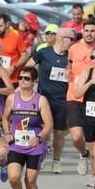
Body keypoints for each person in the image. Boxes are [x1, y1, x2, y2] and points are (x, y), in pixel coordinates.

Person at [2, 66, 53, 189]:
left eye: (27, 78)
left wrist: (39, 137)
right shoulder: (12, 98)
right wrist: (7, 133)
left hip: (35, 146)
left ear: (34, 81)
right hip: (16, 144)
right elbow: (5, 118)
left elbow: (49, 124)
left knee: (30, 180)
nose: (23, 81)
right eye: (21, 78)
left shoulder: (40, 100)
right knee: (13, 177)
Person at [27, 27, 74, 173]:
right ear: (62, 38)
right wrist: (30, 83)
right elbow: (28, 67)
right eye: (71, 39)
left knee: (59, 132)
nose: (73, 42)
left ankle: (56, 161)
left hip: (62, 99)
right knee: (43, 130)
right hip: (44, 99)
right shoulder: (44, 52)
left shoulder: (71, 56)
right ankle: (41, 157)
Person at [66, 21, 95, 181]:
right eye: (86, 30)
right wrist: (66, 72)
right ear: (82, 32)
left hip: (92, 99)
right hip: (74, 96)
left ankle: (94, 174)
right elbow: (69, 65)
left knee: (93, 140)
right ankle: (83, 154)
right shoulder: (74, 48)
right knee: (77, 137)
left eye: (93, 31)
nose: (89, 33)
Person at [74, 46, 95, 189]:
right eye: (93, 57)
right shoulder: (86, 73)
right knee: (94, 155)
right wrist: (90, 83)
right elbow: (77, 93)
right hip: (89, 116)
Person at [0, 13, 30, 85]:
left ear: (7, 24)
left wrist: (14, 67)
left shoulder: (16, 37)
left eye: (0, 26)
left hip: (12, 80)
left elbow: (25, 56)